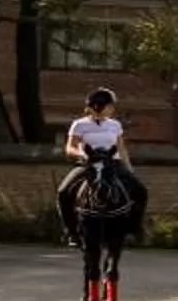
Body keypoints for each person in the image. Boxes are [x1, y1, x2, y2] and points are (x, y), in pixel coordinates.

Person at [55, 88, 147, 246]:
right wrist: (82, 155)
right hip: (89, 164)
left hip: (113, 164)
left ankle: (134, 228)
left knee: (140, 190)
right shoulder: (79, 125)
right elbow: (70, 147)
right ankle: (71, 231)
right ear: (98, 106)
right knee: (63, 191)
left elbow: (121, 148)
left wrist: (129, 168)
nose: (113, 109)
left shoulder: (115, 125)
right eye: (110, 106)